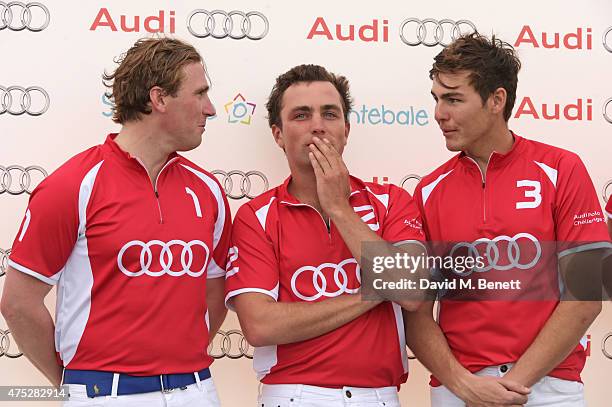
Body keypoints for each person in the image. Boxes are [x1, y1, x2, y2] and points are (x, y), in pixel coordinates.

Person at [0, 37, 229, 406]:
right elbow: (18, 303)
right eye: (200, 93)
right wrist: (73, 385)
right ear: (159, 99)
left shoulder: (208, 190)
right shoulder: (73, 184)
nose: (211, 108)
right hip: (106, 393)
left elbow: (215, 292)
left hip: (197, 390)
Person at [404, 33, 612, 407]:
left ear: (496, 100)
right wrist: (466, 386)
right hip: (459, 390)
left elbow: (585, 297)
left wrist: (510, 387)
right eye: (436, 99)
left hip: (547, 387)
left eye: (453, 98)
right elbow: (415, 310)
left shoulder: (562, 169)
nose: (439, 113)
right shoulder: (427, 190)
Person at [224, 64, 429, 406]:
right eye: (301, 115)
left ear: (346, 130)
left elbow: (409, 292)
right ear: (278, 134)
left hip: (378, 396)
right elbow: (260, 325)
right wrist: (376, 291)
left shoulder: (392, 201)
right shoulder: (255, 216)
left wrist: (339, 208)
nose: (317, 126)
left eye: (329, 114)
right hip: (293, 395)